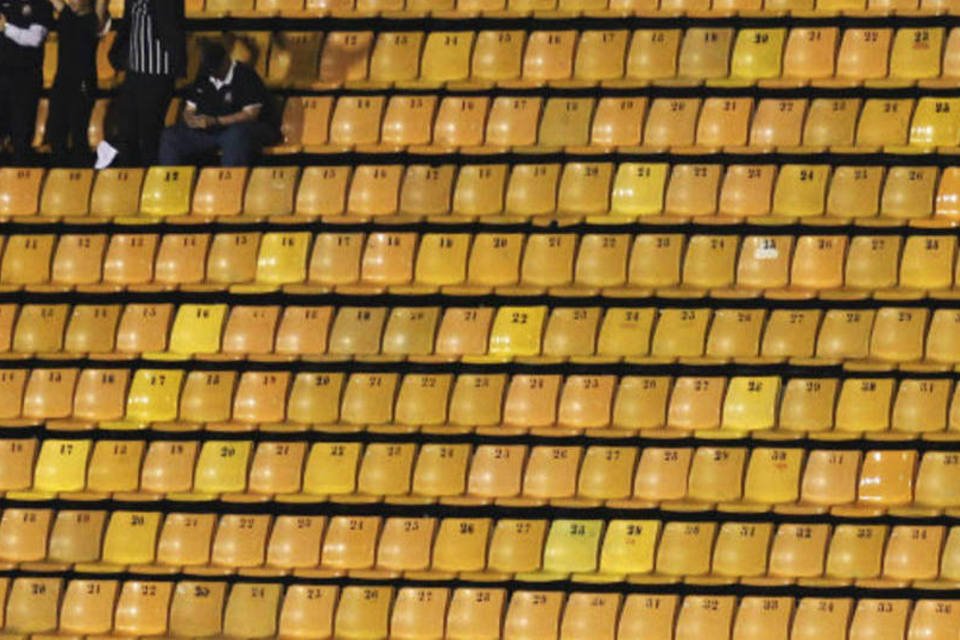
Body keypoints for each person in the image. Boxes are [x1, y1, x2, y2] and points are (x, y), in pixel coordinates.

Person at [158, 42, 278, 167]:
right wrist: (191, 120)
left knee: (236, 136)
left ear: (225, 61)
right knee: (171, 136)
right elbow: (190, 108)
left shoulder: (245, 75)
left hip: (240, 129)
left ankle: (229, 183)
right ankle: (172, 183)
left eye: (216, 68)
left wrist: (217, 121)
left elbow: (251, 114)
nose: (213, 73)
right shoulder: (204, 77)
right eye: (210, 69)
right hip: (209, 131)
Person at [97, 0, 185, 167]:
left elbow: (172, 26)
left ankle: (148, 178)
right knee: (126, 131)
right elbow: (127, 25)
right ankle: (131, 177)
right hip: (134, 72)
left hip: (158, 73)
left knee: (149, 133)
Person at [47, 0, 100, 166]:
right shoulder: (67, 15)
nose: (72, 1)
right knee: (55, 132)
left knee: (78, 133)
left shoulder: (94, 20)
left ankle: (81, 176)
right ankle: (58, 174)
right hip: (62, 82)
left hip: (83, 83)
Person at [0, 0, 53, 163]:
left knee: (21, 137)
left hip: (25, 79)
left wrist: (5, 28)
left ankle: (19, 179)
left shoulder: (41, 5)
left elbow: (34, 39)